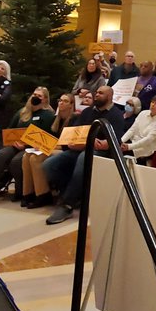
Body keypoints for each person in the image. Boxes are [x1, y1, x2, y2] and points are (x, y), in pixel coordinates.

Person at [43, 85, 127, 223]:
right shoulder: (87, 112)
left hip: (102, 152)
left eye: (101, 93)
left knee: (84, 158)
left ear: (110, 96)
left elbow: (116, 139)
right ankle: (73, 195)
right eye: (97, 92)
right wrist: (73, 143)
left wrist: (106, 142)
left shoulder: (116, 115)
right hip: (81, 147)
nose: (97, 94)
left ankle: (67, 204)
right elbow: (76, 132)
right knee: (49, 165)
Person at [0, 87, 55, 206]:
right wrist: (13, 141)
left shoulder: (48, 115)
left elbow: (49, 136)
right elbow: (10, 129)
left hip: (33, 147)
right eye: (34, 94)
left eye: (39, 96)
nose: (35, 97)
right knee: (0, 155)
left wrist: (30, 143)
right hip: (16, 144)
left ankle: (22, 192)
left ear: (45, 99)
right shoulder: (22, 112)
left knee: (16, 161)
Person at [120, 94, 156, 164]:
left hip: (147, 147)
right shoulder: (143, 113)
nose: (153, 105)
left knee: (122, 153)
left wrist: (129, 147)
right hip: (134, 141)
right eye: (152, 102)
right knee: (115, 148)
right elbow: (132, 130)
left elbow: (148, 139)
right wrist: (120, 141)